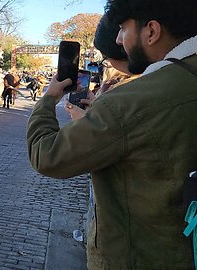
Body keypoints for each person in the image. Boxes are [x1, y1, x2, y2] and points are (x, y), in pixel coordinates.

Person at [27, 0, 197, 268]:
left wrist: (48, 99)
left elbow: (46, 154)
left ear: (151, 31)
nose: (119, 39)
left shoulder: (129, 102)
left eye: (122, 28)